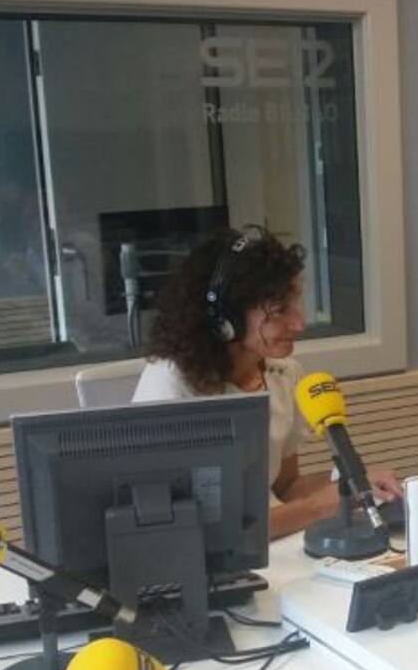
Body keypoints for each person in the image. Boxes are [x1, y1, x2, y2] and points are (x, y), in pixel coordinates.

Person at [133, 225, 401, 540]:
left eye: (295, 304)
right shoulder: (170, 386)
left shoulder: (284, 374)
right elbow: (202, 532)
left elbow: (284, 487)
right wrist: (317, 508)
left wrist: (353, 484)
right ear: (225, 319)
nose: (299, 323)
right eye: (279, 311)